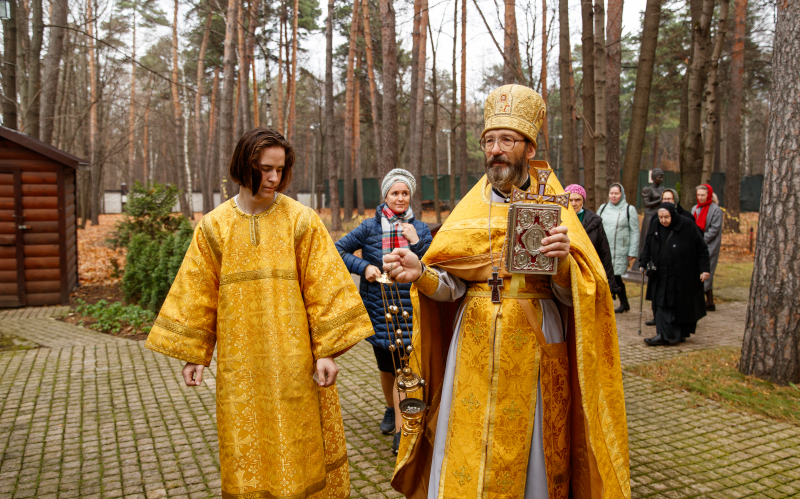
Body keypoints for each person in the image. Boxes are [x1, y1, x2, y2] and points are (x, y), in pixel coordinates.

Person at [387, 85, 630, 499]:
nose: (495, 150)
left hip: (535, 342)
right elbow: (453, 285)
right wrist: (420, 273)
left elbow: (584, 297)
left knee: (532, 455)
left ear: (529, 147)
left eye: (506, 140)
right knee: (463, 441)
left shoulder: (556, 205)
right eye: (489, 141)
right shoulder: (469, 210)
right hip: (472, 348)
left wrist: (564, 265)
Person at [145, 127, 374, 499]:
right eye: (265, 169)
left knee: (300, 447)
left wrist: (327, 352)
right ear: (243, 166)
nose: (274, 178)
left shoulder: (301, 220)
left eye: (280, 169)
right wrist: (194, 354)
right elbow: (199, 291)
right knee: (246, 449)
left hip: (296, 364)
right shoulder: (214, 226)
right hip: (241, 368)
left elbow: (325, 288)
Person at [335, 168, 432, 454]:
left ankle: (402, 430)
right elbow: (338, 250)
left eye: (405, 193)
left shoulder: (420, 228)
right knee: (386, 365)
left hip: (409, 308)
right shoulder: (369, 227)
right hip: (378, 308)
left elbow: (432, 261)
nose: (400, 198)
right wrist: (364, 266)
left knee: (404, 368)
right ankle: (391, 408)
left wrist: (416, 241)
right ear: (385, 196)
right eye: (395, 193)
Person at [639, 202, 711, 346]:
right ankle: (663, 335)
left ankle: (678, 334)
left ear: (673, 214)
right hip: (661, 274)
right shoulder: (655, 225)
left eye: (666, 217)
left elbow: (702, 249)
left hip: (683, 274)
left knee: (679, 306)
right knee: (661, 304)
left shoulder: (687, 225)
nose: (663, 220)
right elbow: (648, 245)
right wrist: (643, 262)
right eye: (660, 217)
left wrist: (704, 269)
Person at [643, 188, 695, 327]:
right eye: (664, 199)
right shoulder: (656, 218)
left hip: (677, 265)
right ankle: (658, 318)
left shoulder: (686, 218)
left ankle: (675, 323)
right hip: (659, 263)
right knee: (657, 293)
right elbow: (649, 240)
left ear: (675, 200)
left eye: (669, 199)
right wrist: (644, 260)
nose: (666, 201)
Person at [565, 183, 620, 296]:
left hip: (588, 272)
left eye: (578, 200)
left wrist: (610, 282)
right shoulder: (559, 218)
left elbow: (604, 252)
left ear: (583, 201)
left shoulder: (594, 221)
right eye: (570, 200)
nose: (574, 203)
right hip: (565, 272)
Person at [598, 183, 640, 313]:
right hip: (604, 249)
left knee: (616, 277)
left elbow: (634, 231)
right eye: (611, 193)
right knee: (603, 276)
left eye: (616, 193)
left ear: (621, 194)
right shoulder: (603, 208)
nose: (614, 196)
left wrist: (632, 251)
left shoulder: (629, 209)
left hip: (620, 250)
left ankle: (623, 302)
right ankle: (607, 302)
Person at [691, 184, 722, 311]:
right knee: (698, 272)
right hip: (697, 246)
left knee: (706, 272)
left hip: (710, 246)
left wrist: (700, 241)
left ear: (708, 195)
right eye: (698, 195)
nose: (700, 197)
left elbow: (714, 229)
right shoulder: (695, 208)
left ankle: (704, 301)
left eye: (703, 195)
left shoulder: (716, 210)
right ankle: (709, 301)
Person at [638, 169, 665, 262]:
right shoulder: (648, 190)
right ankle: (644, 260)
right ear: (653, 177)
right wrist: (659, 200)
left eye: (662, 178)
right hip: (650, 216)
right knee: (648, 237)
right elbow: (646, 204)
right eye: (659, 177)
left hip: (661, 215)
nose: (661, 179)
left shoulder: (662, 189)